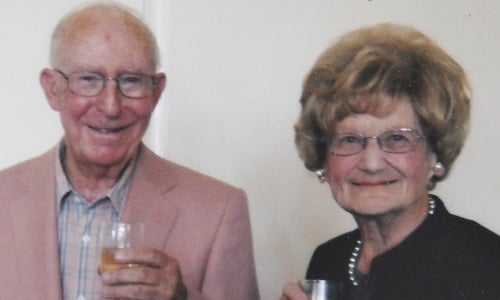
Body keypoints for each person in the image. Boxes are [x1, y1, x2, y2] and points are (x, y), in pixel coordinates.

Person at [0, 2, 259, 300]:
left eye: (132, 81)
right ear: (52, 88)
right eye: (88, 80)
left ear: (157, 92)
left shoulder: (219, 212)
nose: (111, 106)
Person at [280, 23, 500, 300]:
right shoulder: (328, 258)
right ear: (323, 158)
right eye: (349, 140)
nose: (371, 163)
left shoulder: (486, 262)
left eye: (397, 139)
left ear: (436, 156)